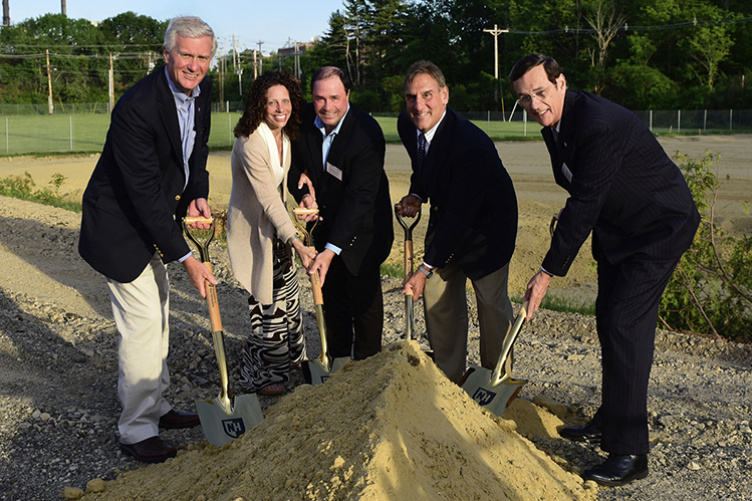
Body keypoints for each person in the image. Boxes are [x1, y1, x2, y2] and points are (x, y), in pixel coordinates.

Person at [509, 53, 700, 486]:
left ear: (560, 83)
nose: (535, 104)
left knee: (624, 324)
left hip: (658, 227)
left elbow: (585, 203)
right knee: (607, 317)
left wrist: (546, 273)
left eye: (540, 92)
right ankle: (612, 417)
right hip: (619, 229)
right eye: (525, 99)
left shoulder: (597, 122)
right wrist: (577, 203)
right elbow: (585, 185)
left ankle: (630, 451)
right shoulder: (554, 125)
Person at [78, 16, 217, 464]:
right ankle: (136, 429)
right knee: (141, 328)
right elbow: (140, 192)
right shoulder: (136, 105)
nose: (195, 66)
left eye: (203, 57)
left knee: (158, 314)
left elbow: (196, 150)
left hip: (153, 219)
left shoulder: (203, 92)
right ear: (167, 54)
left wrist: (197, 193)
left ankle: (155, 406)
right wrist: (186, 259)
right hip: (119, 225)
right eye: (187, 55)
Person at [396, 60, 518, 383]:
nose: (418, 105)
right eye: (411, 97)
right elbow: (426, 164)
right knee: (437, 295)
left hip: (487, 229)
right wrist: (417, 193)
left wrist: (422, 269)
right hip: (448, 216)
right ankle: (448, 378)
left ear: (445, 95)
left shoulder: (470, 145)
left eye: (427, 95)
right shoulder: (408, 125)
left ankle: (496, 379)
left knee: (491, 304)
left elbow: (460, 218)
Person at [287, 66, 393, 361]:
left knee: (365, 303)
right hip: (324, 225)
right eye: (320, 98)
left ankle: (367, 366)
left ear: (348, 94)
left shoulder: (367, 133)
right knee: (332, 300)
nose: (327, 106)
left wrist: (332, 250)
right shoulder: (303, 119)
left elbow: (360, 199)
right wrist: (304, 194)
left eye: (334, 97)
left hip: (365, 229)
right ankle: (337, 367)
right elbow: (293, 166)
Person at [226, 70, 316, 396]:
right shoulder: (251, 142)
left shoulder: (285, 136)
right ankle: (260, 372)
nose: (280, 108)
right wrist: (298, 241)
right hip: (254, 232)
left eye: (285, 100)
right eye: (271, 102)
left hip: (277, 230)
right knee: (268, 303)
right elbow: (266, 196)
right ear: (259, 106)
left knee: (290, 298)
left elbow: (283, 182)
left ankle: (293, 359)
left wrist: (304, 185)